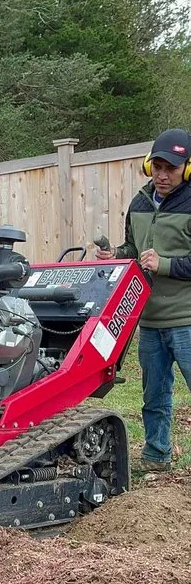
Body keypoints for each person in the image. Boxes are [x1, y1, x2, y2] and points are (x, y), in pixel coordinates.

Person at [95, 128, 191, 471]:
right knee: (154, 396)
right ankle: (155, 456)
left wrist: (164, 265)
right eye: (158, 167)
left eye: (172, 168)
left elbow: (158, 261)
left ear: (188, 168)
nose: (163, 175)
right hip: (149, 320)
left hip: (186, 319)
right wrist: (115, 256)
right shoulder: (139, 202)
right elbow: (133, 252)